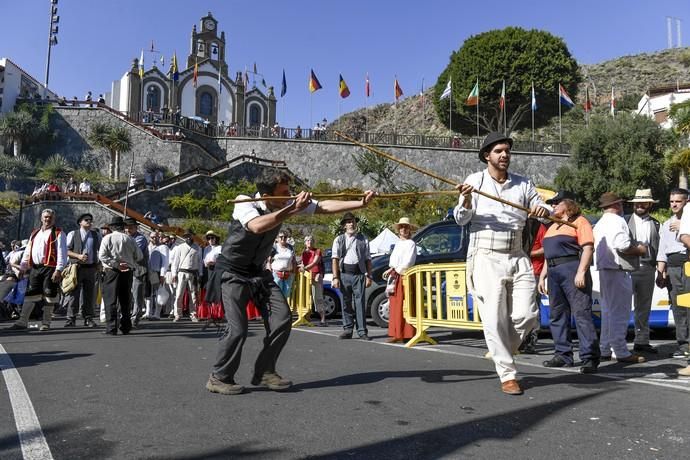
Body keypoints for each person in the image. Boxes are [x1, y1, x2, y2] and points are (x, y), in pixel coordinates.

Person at [205, 168, 375, 395]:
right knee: (238, 329)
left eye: (289, 191)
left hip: (258, 273)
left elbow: (322, 206)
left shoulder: (286, 204)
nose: (290, 195)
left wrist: (359, 204)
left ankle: (265, 371)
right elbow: (256, 226)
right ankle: (219, 377)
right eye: (284, 192)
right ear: (269, 194)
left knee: (283, 319)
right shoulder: (244, 202)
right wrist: (292, 208)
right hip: (233, 273)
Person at [454, 132, 549, 396]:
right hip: (486, 254)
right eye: (499, 151)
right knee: (494, 319)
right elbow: (461, 219)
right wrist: (467, 199)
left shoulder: (523, 183)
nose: (505, 155)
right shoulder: (475, 181)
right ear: (487, 155)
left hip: (518, 253)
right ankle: (508, 374)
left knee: (528, 315)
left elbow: (541, 206)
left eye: (507, 150)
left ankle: (501, 349)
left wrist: (542, 210)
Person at [538, 196, 600, 373]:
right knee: (557, 314)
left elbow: (588, 247)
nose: (553, 206)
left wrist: (581, 272)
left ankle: (589, 357)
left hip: (571, 268)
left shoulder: (580, 222)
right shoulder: (552, 226)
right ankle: (563, 355)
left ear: (569, 207)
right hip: (553, 270)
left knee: (581, 313)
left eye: (557, 203)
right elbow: (549, 254)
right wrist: (543, 276)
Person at [593, 192, 647, 364]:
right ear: (617, 205)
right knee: (620, 312)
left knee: (608, 311)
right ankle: (621, 351)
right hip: (617, 269)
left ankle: (605, 348)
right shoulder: (617, 220)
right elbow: (622, 245)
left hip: (605, 269)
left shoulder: (600, 223)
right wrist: (639, 249)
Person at [6, 209, 67, 332]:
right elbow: (28, 251)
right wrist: (23, 267)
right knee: (30, 295)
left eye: (50, 217)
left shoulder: (59, 233)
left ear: (53, 219)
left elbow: (62, 253)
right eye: (45, 217)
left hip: (50, 268)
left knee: (49, 295)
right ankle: (22, 322)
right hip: (35, 268)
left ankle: (46, 323)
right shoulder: (34, 233)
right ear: (41, 218)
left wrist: (59, 269)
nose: (47, 219)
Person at [626, 189, 661, 355]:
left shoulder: (656, 224)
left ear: (649, 205)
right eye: (637, 203)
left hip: (648, 268)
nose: (640, 205)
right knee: (624, 305)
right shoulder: (624, 221)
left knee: (644, 306)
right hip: (628, 268)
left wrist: (661, 271)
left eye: (643, 202)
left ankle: (641, 341)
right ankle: (617, 341)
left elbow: (659, 249)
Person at [657, 188, 690, 359]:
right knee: (678, 307)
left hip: (688, 264)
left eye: (678, 201)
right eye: (672, 201)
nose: (674, 204)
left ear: (686, 202)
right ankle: (683, 344)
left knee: (689, 305)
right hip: (673, 267)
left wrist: (683, 227)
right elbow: (663, 251)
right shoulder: (666, 224)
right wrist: (660, 272)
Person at [331, 212, 374, 340]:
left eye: (353, 221)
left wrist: (369, 276)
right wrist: (335, 277)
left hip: (359, 274)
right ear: (344, 225)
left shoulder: (363, 238)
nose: (351, 224)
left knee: (360, 303)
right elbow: (335, 259)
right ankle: (348, 329)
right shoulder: (339, 239)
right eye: (348, 222)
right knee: (345, 303)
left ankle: (362, 331)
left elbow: (368, 259)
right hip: (344, 274)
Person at [98, 216, 143, 335]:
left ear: (112, 227)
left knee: (110, 300)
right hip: (127, 271)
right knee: (125, 299)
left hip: (112, 271)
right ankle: (126, 326)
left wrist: (116, 264)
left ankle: (112, 327)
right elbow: (139, 256)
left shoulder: (107, 238)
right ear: (123, 227)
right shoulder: (130, 239)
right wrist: (128, 261)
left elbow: (102, 256)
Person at [383, 217, 417, 343]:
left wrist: (396, 270)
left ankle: (407, 333)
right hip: (396, 276)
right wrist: (391, 269)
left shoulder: (411, 244)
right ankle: (397, 333)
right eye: (402, 227)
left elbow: (408, 262)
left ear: (410, 230)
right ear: (398, 230)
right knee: (395, 305)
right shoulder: (397, 244)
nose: (404, 229)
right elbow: (394, 261)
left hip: (405, 276)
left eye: (406, 227)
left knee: (405, 305)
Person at [64, 213, 101, 328]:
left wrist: (99, 263)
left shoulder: (96, 235)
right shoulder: (73, 234)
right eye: (86, 220)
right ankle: (71, 318)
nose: (89, 222)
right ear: (80, 222)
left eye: (90, 220)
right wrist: (78, 256)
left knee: (89, 294)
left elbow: (101, 250)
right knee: (73, 294)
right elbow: (66, 250)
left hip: (91, 268)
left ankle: (88, 318)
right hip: (77, 268)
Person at [170, 229, 202, 322]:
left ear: (192, 236)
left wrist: (200, 274)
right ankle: (178, 314)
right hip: (182, 273)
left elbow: (200, 262)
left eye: (190, 235)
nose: (188, 237)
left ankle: (193, 314)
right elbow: (175, 262)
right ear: (184, 237)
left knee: (193, 295)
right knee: (179, 293)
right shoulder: (179, 247)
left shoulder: (198, 248)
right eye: (187, 236)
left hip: (193, 273)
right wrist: (174, 274)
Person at [124, 218, 149, 326]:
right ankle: (125, 316)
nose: (128, 229)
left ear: (135, 228)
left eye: (130, 227)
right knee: (125, 295)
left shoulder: (140, 238)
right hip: (125, 270)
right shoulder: (124, 237)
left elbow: (133, 253)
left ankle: (135, 318)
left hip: (137, 270)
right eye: (126, 227)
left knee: (137, 296)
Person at [301, 235, 326, 326]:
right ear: (305, 242)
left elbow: (315, 262)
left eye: (311, 240)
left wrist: (304, 268)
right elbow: (303, 263)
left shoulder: (317, 251)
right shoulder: (304, 252)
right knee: (307, 298)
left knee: (318, 297)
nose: (309, 242)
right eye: (307, 240)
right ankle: (307, 317)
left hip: (316, 276)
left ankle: (323, 319)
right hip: (307, 277)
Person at [144, 231, 167, 320]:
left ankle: (157, 313)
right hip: (147, 272)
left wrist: (162, 274)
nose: (155, 238)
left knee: (158, 292)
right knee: (147, 292)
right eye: (153, 237)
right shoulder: (147, 247)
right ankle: (148, 312)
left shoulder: (162, 247)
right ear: (149, 238)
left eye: (157, 237)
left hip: (156, 272)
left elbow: (165, 262)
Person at [270, 231, 297, 298]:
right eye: (281, 237)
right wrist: (269, 271)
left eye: (285, 237)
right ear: (277, 238)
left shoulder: (290, 247)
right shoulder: (274, 247)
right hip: (276, 274)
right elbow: (268, 260)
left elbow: (293, 260)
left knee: (286, 295)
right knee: (277, 295)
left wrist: (293, 272)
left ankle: (284, 308)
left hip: (288, 274)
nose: (283, 238)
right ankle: (277, 308)